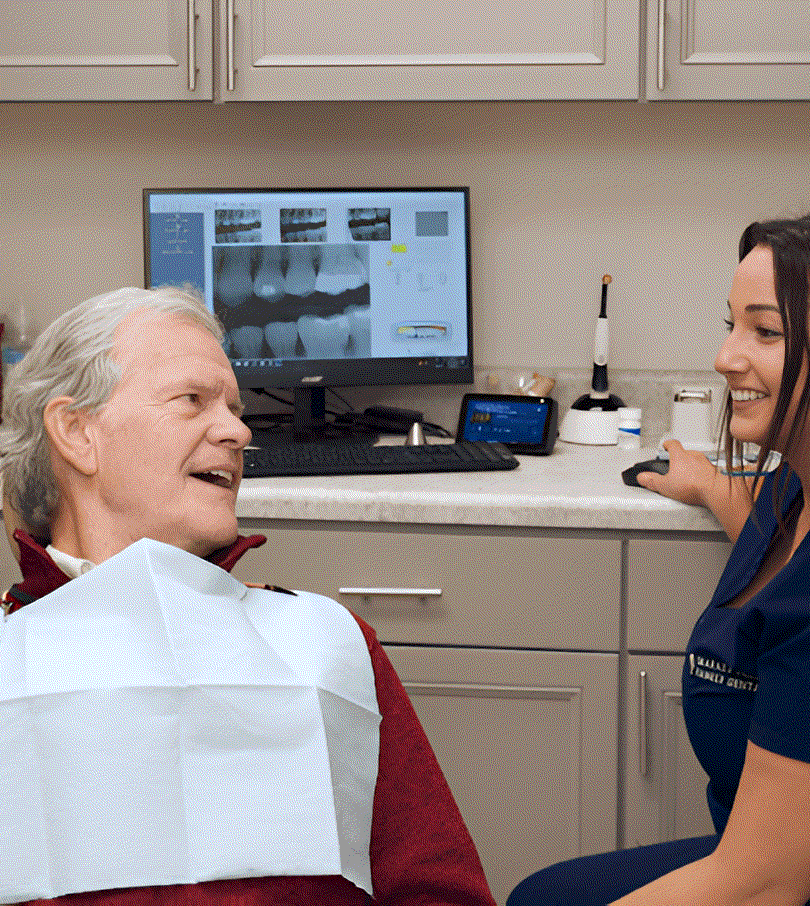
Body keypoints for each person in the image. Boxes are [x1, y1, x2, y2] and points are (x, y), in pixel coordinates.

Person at [0, 285, 496, 906]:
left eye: (234, 409)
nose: (237, 431)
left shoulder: (325, 644)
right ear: (77, 433)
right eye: (192, 400)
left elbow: (437, 893)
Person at [508, 203, 810, 905]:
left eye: (767, 332)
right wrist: (718, 491)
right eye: (732, 326)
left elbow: (761, 887)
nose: (726, 358)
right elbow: (794, 570)